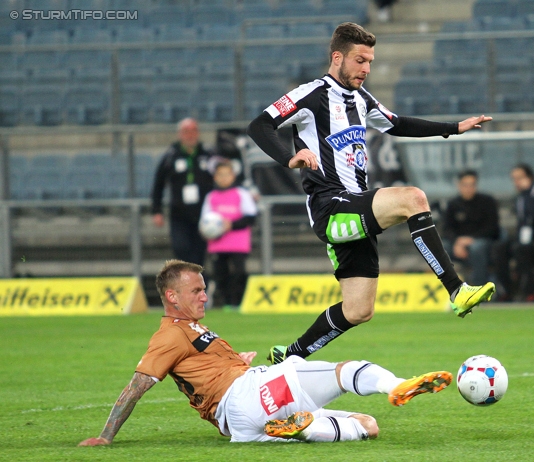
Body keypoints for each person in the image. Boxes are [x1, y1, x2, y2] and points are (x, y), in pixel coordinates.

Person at [246, 22, 495, 365]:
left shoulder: (361, 99)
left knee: (359, 309)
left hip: (354, 207)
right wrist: (289, 158)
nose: (366, 68)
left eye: (370, 62)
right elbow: (259, 125)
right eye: (360, 60)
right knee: (413, 198)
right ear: (337, 57)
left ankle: (290, 356)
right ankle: (457, 290)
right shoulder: (311, 94)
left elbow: (398, 124)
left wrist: (453, 128)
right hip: (331, 206)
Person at [77, 260, 453, 445]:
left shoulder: (191, 330)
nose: (205, 295)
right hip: (246, 395)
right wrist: (107, 436)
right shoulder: (169, 335)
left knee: (368, 427)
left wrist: (235, 362)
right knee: (344, 370)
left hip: (240, 425)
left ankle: (303, 430)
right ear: (172, 296)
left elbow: (200, 375)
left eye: (204, 288)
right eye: (196, 291)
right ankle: (398, 385)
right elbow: (135, 387)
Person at [151, 118, 215, 267]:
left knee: (200, 253)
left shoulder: (208, 154)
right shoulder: (170, 156)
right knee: (181, 248)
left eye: (193, 131)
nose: (190, 135)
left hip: (203, 213)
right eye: (186, 132)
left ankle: (199, 285)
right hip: (179, 214)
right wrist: (157, 210)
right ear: (180, 134)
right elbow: (158, 184)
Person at [493, 164, 534, 302]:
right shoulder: (520, 198)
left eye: (520, 178)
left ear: (530, 178)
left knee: (521, 249)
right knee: (500, 247)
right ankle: (505, 291)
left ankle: (532, 291)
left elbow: (533, 216)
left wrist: (527, 192)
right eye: (514, 179)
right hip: (525, 242)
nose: (516, 182)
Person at [200, 160, 258, 310]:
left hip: (238, 242)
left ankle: (238, 302)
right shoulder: (211, 196)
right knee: (220, 273)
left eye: (227, 174)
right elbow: (204, 221)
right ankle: (226, 302)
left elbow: (250, 217)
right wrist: (207, 231)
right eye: (220, 175)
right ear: (215, 177)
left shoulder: (241, 194)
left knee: (239, 272)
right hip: (218, 243)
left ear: (233, 176)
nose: (224, 178)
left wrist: (231, 225)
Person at [441, 169, 500, 286]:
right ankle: (449, 286)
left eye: (472, 185)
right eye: (465, 185)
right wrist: (457, 242)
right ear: (459, 185)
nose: (468, 188)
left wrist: (470, 239)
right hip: (458, 244)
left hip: (483, 241)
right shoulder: (453, 204)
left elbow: (492, 228)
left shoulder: (487, 202)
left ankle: (479, 287)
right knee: (441, 248)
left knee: (477, 248)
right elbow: (447, 229)